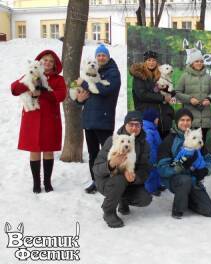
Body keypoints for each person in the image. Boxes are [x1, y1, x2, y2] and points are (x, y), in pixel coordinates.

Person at [11, 50, 67, 193]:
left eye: (51, 61)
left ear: (55, 64)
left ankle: (47, 182)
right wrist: (29, 83)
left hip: (50, 119)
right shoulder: (29, 73)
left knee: (48, 150)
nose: (47, 63)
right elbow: (14, 89)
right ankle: (36, 183)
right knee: (34, 150)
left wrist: (42, 92)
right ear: (39, 62)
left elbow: (60, 95)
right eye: (45, 60)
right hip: (32, 118)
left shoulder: (58, 79)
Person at [93, 111, 152, 228]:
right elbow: (96, 168)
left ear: (141, 126)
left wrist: (135, 177)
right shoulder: (113, 140)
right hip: (107, 181)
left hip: (128, 182)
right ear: (125, 125)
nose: (134, 128)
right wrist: (110, 164)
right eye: (131, 124)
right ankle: (108, 211)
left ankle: (122, 200)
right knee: (119, 179)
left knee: (145, 199)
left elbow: (145, 169)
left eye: (137, 125)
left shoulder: (145, 145)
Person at [75, 44, 121, 194]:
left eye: (103, 55)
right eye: (98, 55)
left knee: (108, 152)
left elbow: (104, 90)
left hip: (104, 119)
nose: (101, 58)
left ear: (108, 57)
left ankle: (110, 180)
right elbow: (80, 95)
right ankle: (96, 180)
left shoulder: (113, 73)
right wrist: (79, 100)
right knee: (93, 153)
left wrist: (84, 83)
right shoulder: (93, 70)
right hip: (89, 119)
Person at [157, 108, 211, 219]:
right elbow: (162, 168)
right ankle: (177, 209)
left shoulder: (197, 138)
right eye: (182, 120)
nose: (185, 123)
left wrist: (206, 170)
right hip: (175, 179)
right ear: (177, 122)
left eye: (188, 120)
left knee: (209, 211)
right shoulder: (169, 140)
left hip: (194, 179)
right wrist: (179, 167)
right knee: (185, 180)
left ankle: (187, 199)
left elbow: (207, 159)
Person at [130, 50, 174, 139]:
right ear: (145, 61)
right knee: (150, 144)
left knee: (164, 144)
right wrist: (162, 97)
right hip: (147, 116)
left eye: (153, 60)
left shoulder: (161, 74)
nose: (151, 62)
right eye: (149, 60)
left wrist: (169, 92)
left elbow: (171, 91)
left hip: (163, 116)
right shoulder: (139, 76)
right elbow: (142, 95)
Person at [175, 48, 211, 142]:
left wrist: (209, 99)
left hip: (204, 118)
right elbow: (177, 92)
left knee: (202, 144)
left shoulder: (208, 77)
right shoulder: (184, 76)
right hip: (190, 119)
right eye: (197, 61)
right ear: (192, 63)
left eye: (201, 61)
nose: (199, 63)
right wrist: (189, 99)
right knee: (190, 144)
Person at [142, 108, 166, 195]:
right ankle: (150, 189)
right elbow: (150, 148)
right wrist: (152, 159)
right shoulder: (148, 131)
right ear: (151, 119)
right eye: (157, 118)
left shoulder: (153, 129)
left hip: (157, 155)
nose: (158, 120)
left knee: (157, 171)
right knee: (151, 173)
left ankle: (157, 185)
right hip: (152, 157)